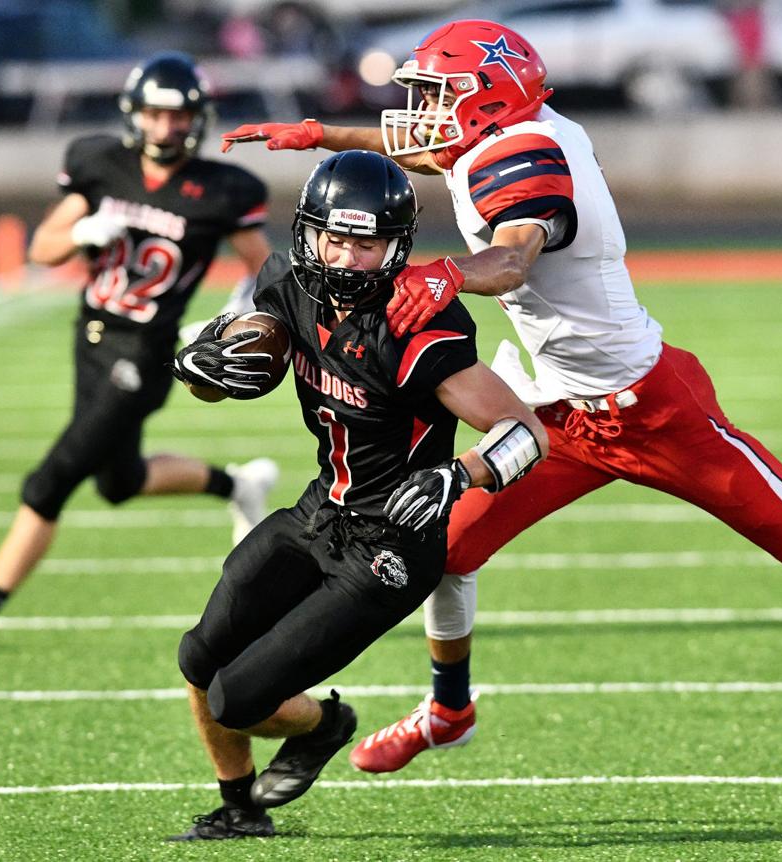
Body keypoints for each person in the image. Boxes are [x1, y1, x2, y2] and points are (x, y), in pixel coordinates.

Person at [219, 19, 782, 776]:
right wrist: (320, 134)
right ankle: (450, 710)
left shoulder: (527, 159)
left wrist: (445, 273)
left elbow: (511, 258)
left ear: (486, 101)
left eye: (441, 95)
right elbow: (428, 145)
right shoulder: (499, 132)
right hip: (556, 407)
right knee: (445, 542)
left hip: (648, 409)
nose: (424, 112)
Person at [165, 149, 547, 840]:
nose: (345, 258)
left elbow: (526, 433)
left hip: (390, 546)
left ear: (395, 247)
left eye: (365, 245)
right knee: (198, 658)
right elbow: (241, 367)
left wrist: (459, 474)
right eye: (334, 239)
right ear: (308, 232)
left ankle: (325, 724)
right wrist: (202, 368)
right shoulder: (288, 283)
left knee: (235, 699)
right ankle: (239, 807)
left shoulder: (417, 325)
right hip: (321, 510)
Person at [0, 52, 279, 656]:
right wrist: (80, 232)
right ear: (135, 114)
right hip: (90, 339)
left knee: (51, 480)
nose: (167, 127)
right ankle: (237, 484)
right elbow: (43, 248)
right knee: (119, 480)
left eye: (179, 116)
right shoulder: (100, 163)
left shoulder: (221, 189)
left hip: (146, 352)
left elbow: (264, 271)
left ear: (198, 119)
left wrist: (231, 316)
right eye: (155, 114)